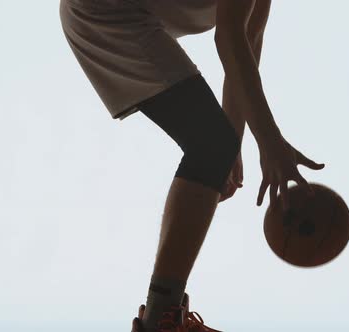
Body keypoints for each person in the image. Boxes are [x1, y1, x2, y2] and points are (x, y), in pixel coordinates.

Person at [59, 0, 325, 331]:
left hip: (124, 16)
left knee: (214, 144)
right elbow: (229, 41)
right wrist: (269, 142)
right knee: (211, 144)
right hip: (105, 12)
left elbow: (246, 44)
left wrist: (233, 140)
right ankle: (161, 319)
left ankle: (164, 314)